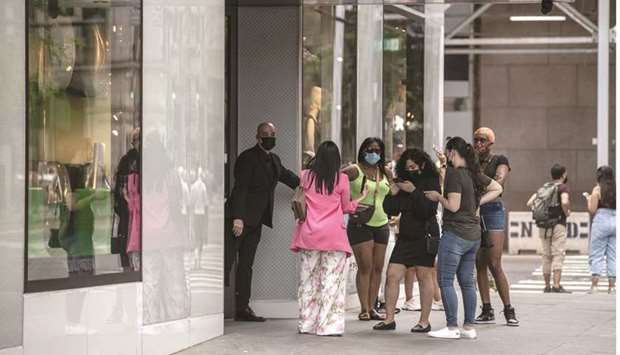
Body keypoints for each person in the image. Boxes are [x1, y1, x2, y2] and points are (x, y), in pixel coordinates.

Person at [424, 137, 503, 340]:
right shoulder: (473, 173)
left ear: (451, 153)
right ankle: (468, 327)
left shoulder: (454, 174)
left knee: (445, 280)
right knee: (467, 282)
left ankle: (451, 327)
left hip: (455, 233)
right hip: (474, 235)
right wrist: (478, 202)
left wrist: (437, 197)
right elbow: (497, 188)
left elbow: (453, 206)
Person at [290, 141, 368, 336]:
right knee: (332, 281)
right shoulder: (341, 179)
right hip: (333, 237)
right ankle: (328, 326)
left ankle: (307, 324)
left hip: (309, 235)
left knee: (308, 280)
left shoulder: (305, 176)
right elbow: (346, 208)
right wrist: (360, 198)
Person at [229, 122, 300, 322]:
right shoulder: (247, 158)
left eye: (272, 134)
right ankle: (213, 309)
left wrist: (311, 181)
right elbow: (240, 188)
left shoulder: (274, 160)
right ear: (257, 136)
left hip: (257, 221)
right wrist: (238, 217)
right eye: (265, 134)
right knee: (227, 261)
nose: (269, 137)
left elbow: (289, 177)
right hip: (240, 220)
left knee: (246, 265)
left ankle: (242, 308)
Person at [373, 148, 440, 333]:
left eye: (413, 166)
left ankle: (424, 321)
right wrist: (392, 193)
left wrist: (414, 191)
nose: (410, 169)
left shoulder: (431, 181)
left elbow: (427, 210)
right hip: (406, 236)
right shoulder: (403, 181)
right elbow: (391, 209)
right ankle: (389, 319)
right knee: (393, 274)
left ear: (422, 165)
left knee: (424, 276)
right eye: (407, 167)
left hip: (426, 234)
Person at [472, 127, 518, 326]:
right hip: (474, 210)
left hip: (492, 210)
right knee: (479, 263)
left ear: (491, 142)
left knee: (494, 262)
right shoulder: (472, 161)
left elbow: (499, 181)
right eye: (476, 140)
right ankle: (486, 308)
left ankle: (508, 309)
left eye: (483, 140)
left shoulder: (500, 160)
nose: (479, 143)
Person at [343, 137, 392, 321]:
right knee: (365, 267)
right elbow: (334, 182)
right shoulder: (354, 170)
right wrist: (348, 203)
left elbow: (393, 192)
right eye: (370, 150)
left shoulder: (385, 171)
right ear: (363, 150)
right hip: (360, 223)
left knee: (378, 268)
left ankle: (372, 308)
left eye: (378, 151)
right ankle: (363, 308)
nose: (374, 154)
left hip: (382, 223)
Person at [527, 164, 571, 294]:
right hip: (558, 224)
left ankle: (546, 286)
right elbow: (564, 201)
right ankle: (556, 285)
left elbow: (529, 203)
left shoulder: (544, 188)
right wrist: (567, 212)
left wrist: (542, 214)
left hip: (544, 225)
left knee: (546, 255)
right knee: (558, 254)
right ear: (563, 174)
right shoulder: (563, 187)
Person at [585, 166, 616, 294]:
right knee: (613, 255)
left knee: (596, 253)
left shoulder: (597, 189)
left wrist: (588, 200)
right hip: (616, 220)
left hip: (601, 220)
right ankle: (612, 287)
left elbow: (592, 209)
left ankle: (595, 286)